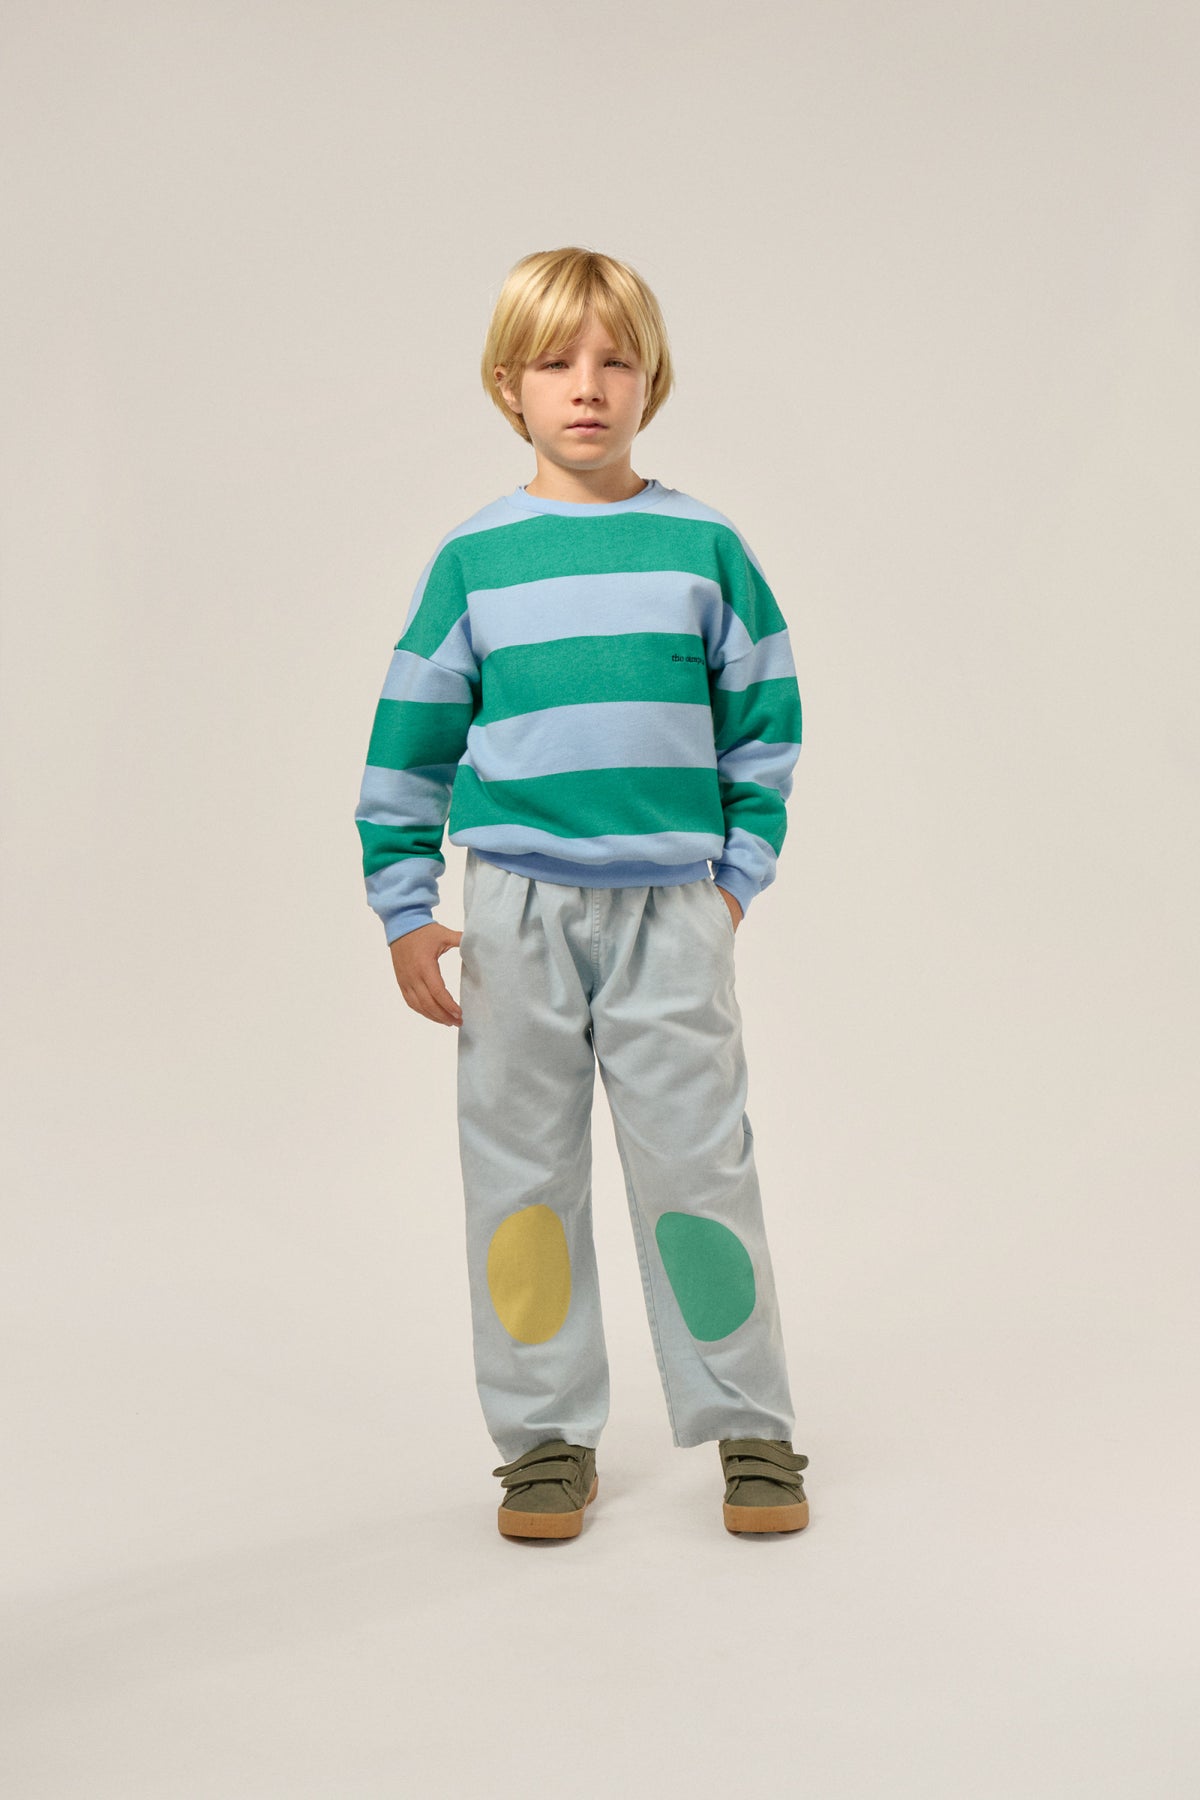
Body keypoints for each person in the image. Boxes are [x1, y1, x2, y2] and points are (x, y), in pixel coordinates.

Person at [354, 246, 810, 1540]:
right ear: (509, 385)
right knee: (520, 1179)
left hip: (673, 913)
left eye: (616, 361)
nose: (588, 386)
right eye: (556, 362)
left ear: (653, 378)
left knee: (700, 1170)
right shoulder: (474, 561)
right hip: (512, 915)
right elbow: (409, 742)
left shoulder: (704, 547)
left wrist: (731, 885)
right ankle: (545, 1440)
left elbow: (765, 726)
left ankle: (752, 1425)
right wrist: (406, 908)